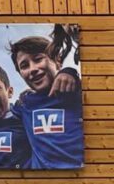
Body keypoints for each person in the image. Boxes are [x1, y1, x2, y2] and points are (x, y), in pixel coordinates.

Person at [9, 32, 83, 169]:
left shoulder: (77, 92)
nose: (32, 69)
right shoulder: (24, 104)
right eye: (24, 66)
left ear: (57, 60)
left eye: (38, 59)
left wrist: (70, 72)